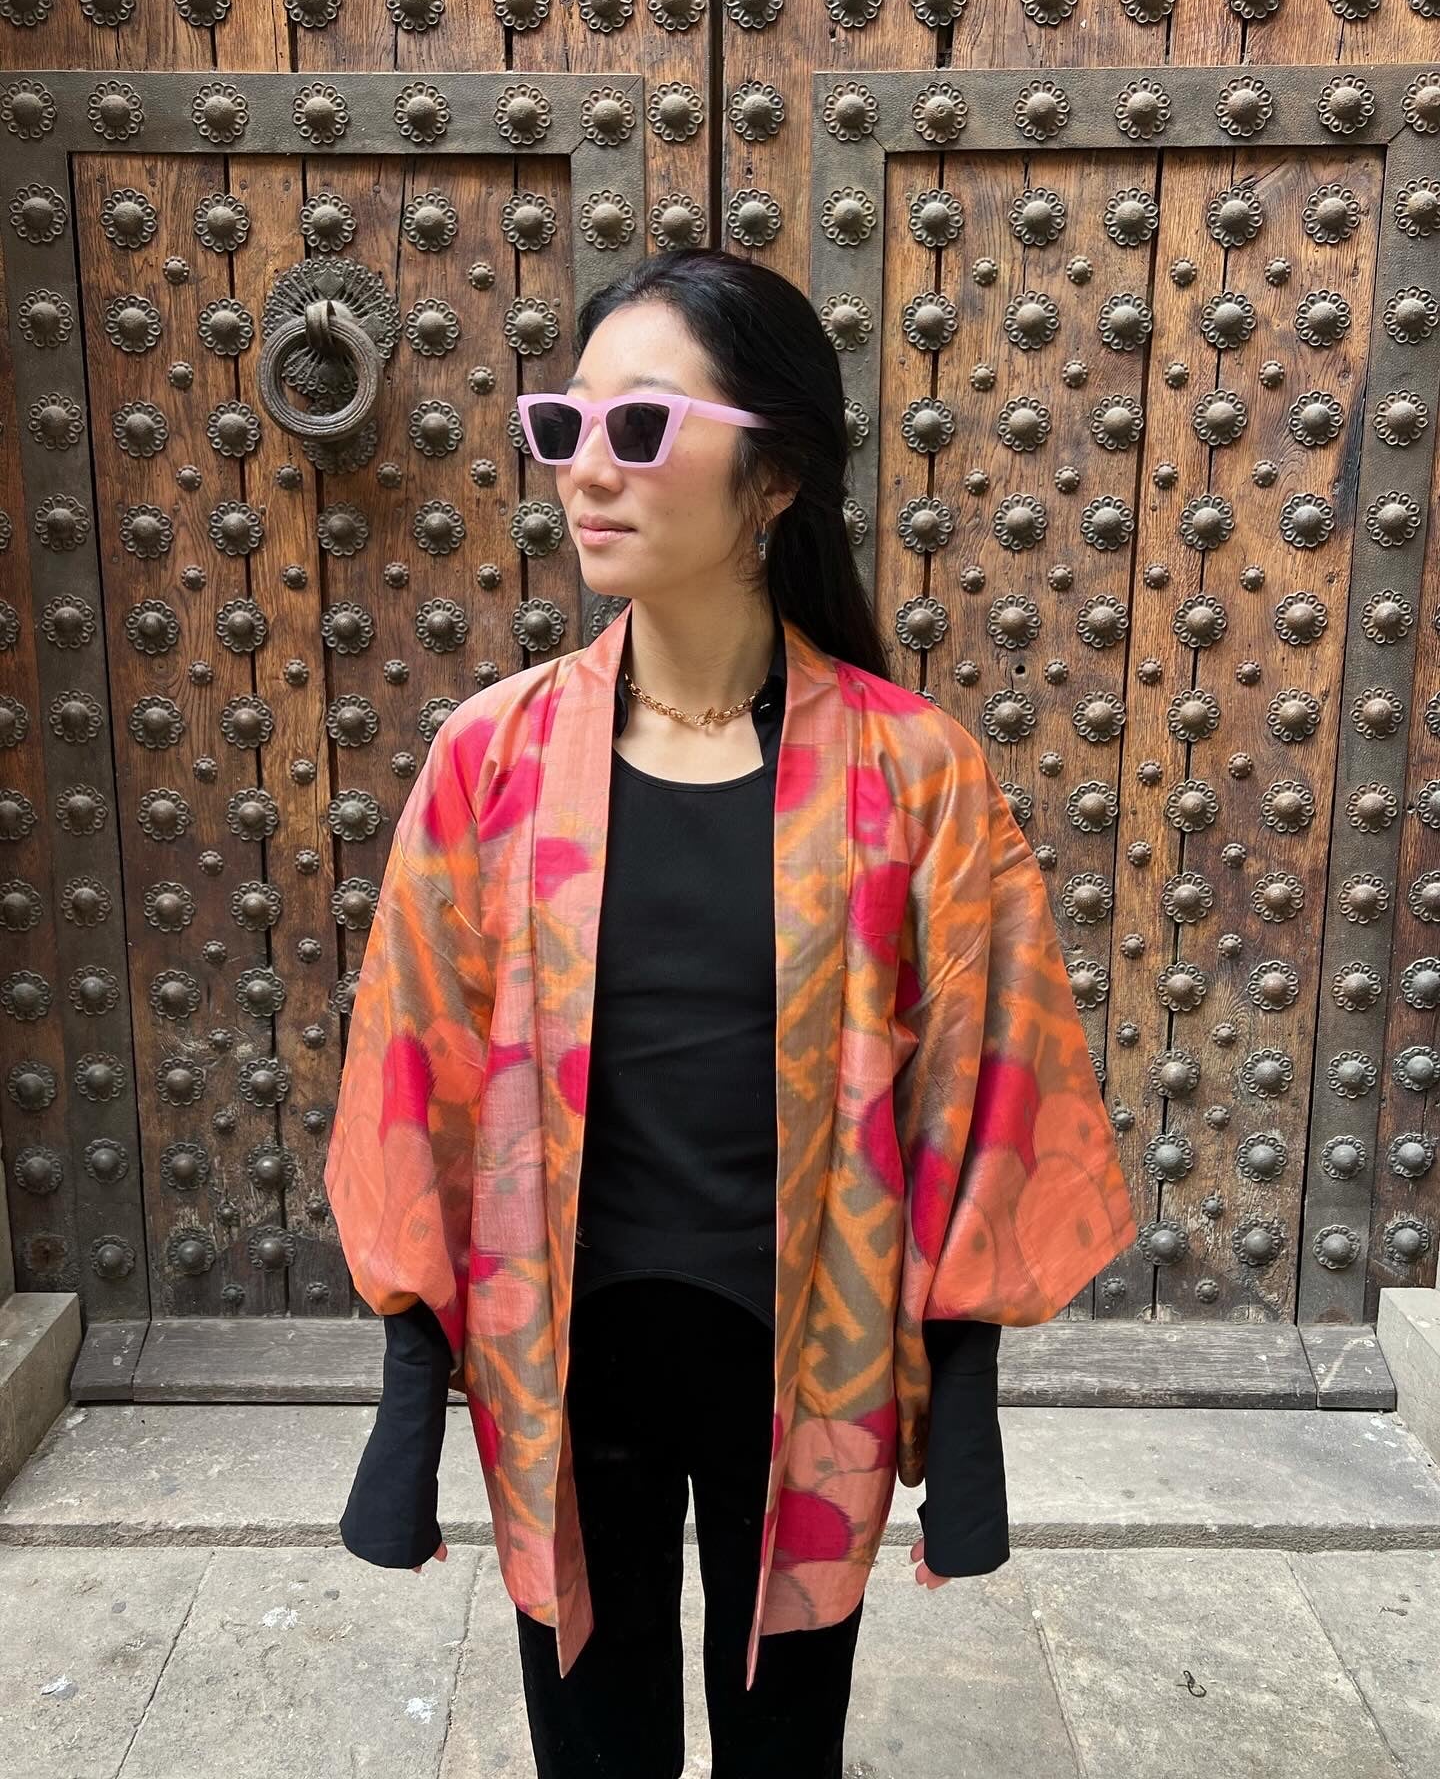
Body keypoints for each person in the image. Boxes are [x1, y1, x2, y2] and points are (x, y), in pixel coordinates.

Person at [323, 249, 1137, 1778]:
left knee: (786, 1756)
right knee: (593, 1743)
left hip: (806, 1375)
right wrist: (403, 1389)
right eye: (563, 427)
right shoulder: (491, 763)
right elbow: (406, 1076)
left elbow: (990, 1083)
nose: (587, 473)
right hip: (564, 1370)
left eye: (641, 430)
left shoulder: (915, 774)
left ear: (771, 481)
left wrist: (965, 1402)